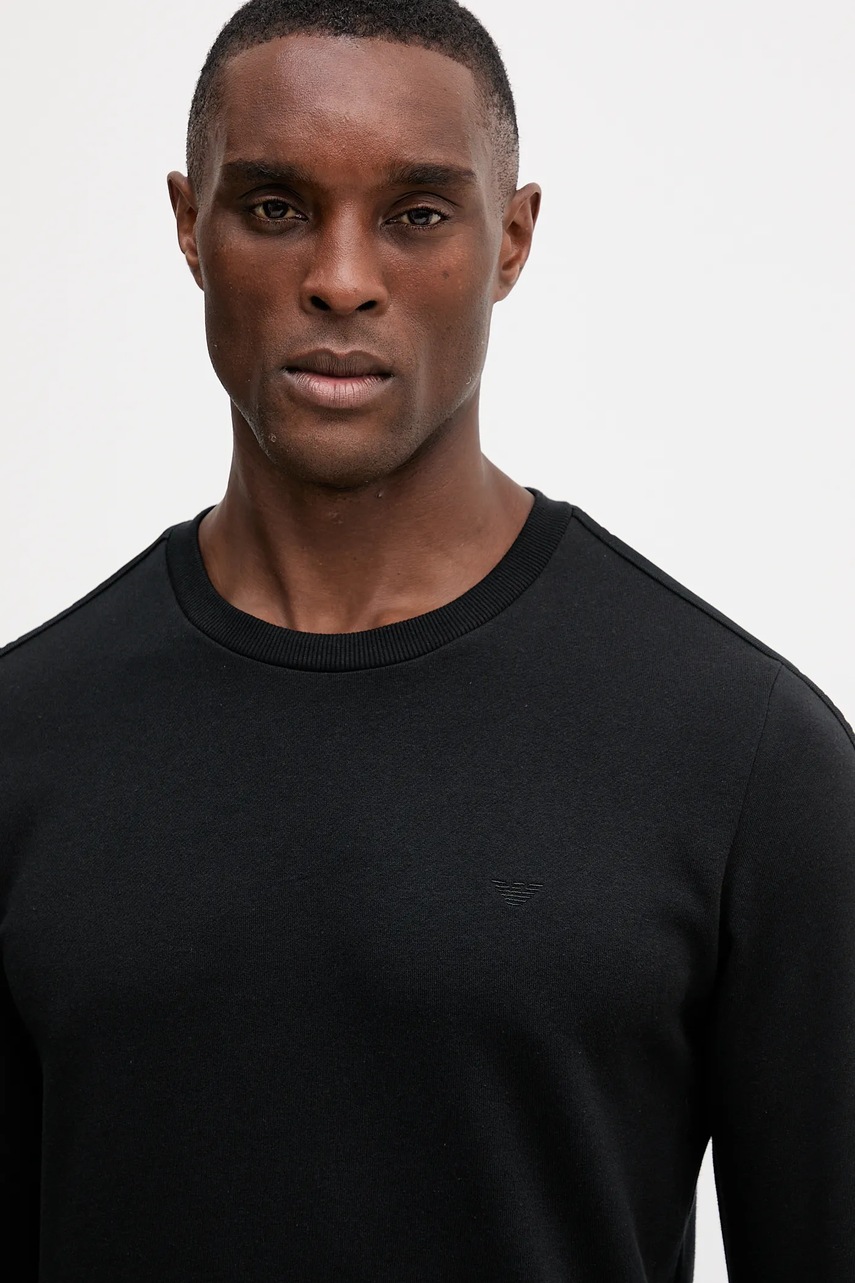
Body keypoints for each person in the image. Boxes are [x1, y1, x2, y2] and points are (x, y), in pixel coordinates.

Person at [1, 0, 853, 1278]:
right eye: (276, 206)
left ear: (511, 238)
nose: (342, 278)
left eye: (416, 214)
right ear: (189, 223)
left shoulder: (743, 754)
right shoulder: (25, 742)